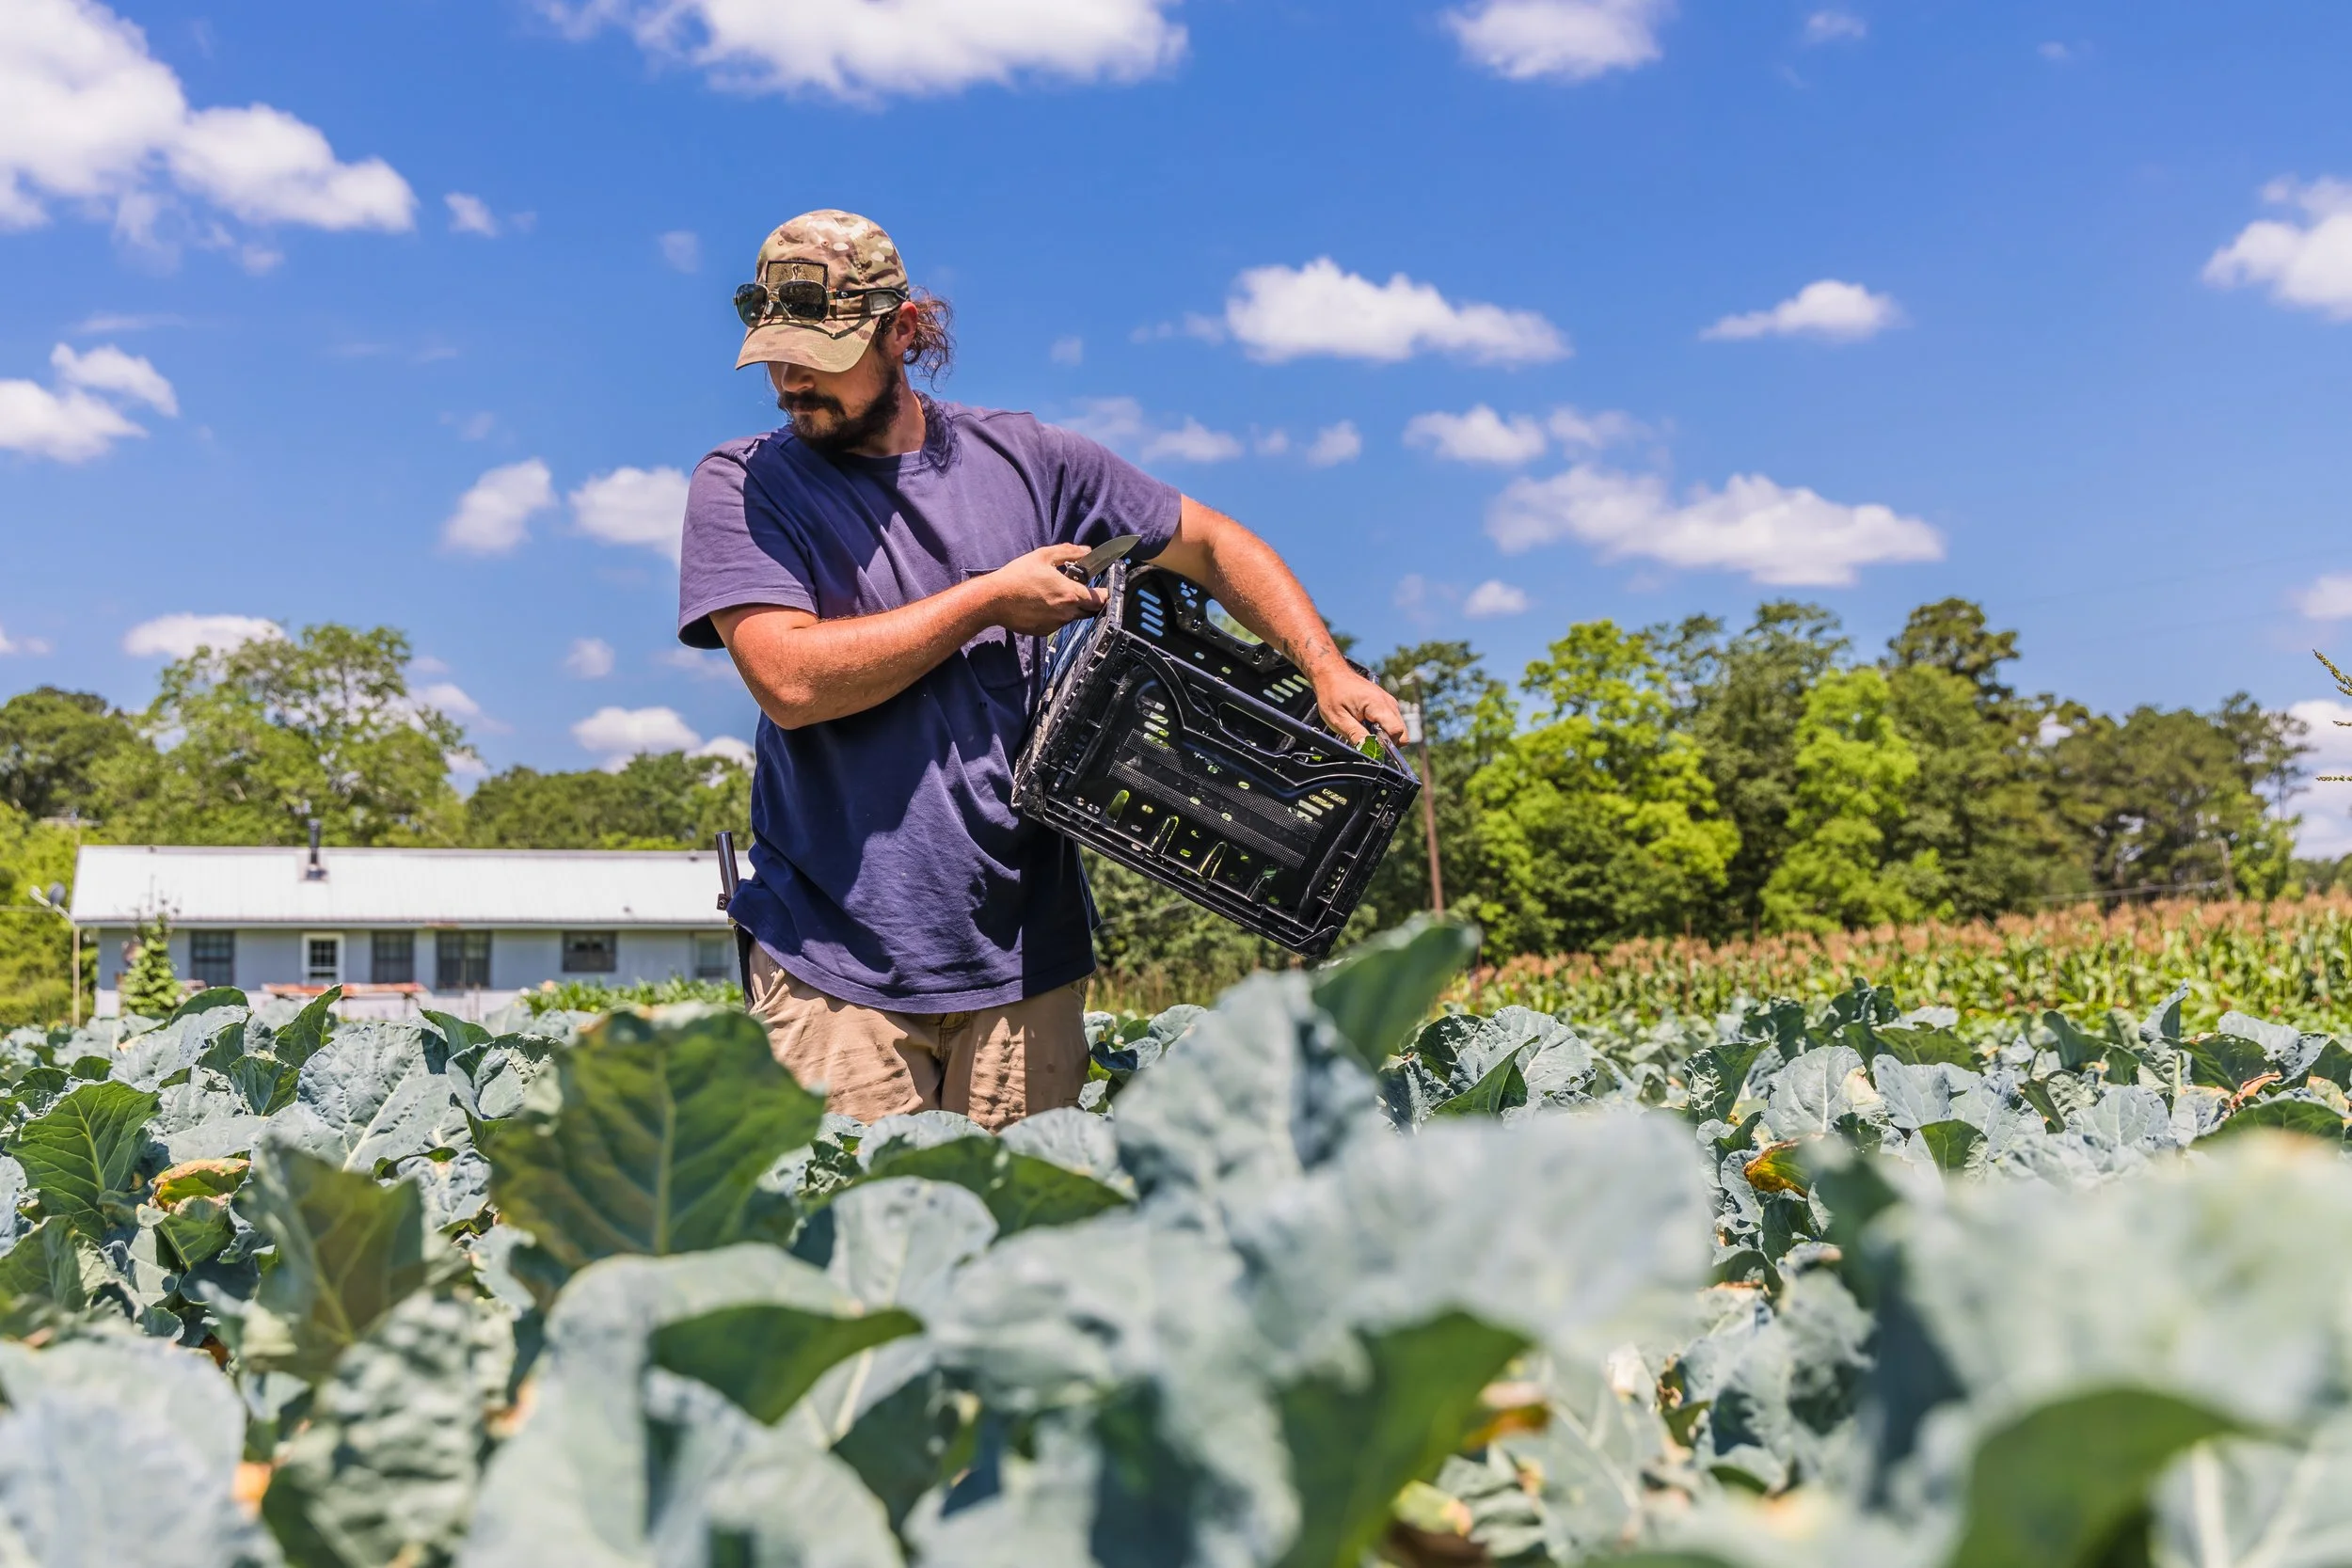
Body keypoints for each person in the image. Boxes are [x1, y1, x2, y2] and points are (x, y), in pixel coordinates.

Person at [676, 209, 1403, 1131]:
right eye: (774, 357)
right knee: (851, 1262)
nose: (787, 381)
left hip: (1023, 959)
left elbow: (1213, 544)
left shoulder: (1028, 460)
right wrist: (987, 599)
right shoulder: (744, 483)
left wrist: (1326, 666)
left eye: (817, 356)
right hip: (831, 969)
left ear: (903, 331)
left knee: (1025, 1256)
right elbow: (790, 681)